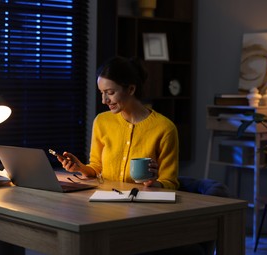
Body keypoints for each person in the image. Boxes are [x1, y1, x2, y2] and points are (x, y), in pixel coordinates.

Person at [56, 56, 179, 190]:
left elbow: (170, 182)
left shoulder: (164, 128)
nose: (104, 100)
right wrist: (80, 167)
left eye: (110, 92)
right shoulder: (101, 121)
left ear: (131, 89)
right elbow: (96, 168)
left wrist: (154, 184)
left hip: (141, 205)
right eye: (102, 93)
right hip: (105, 201)